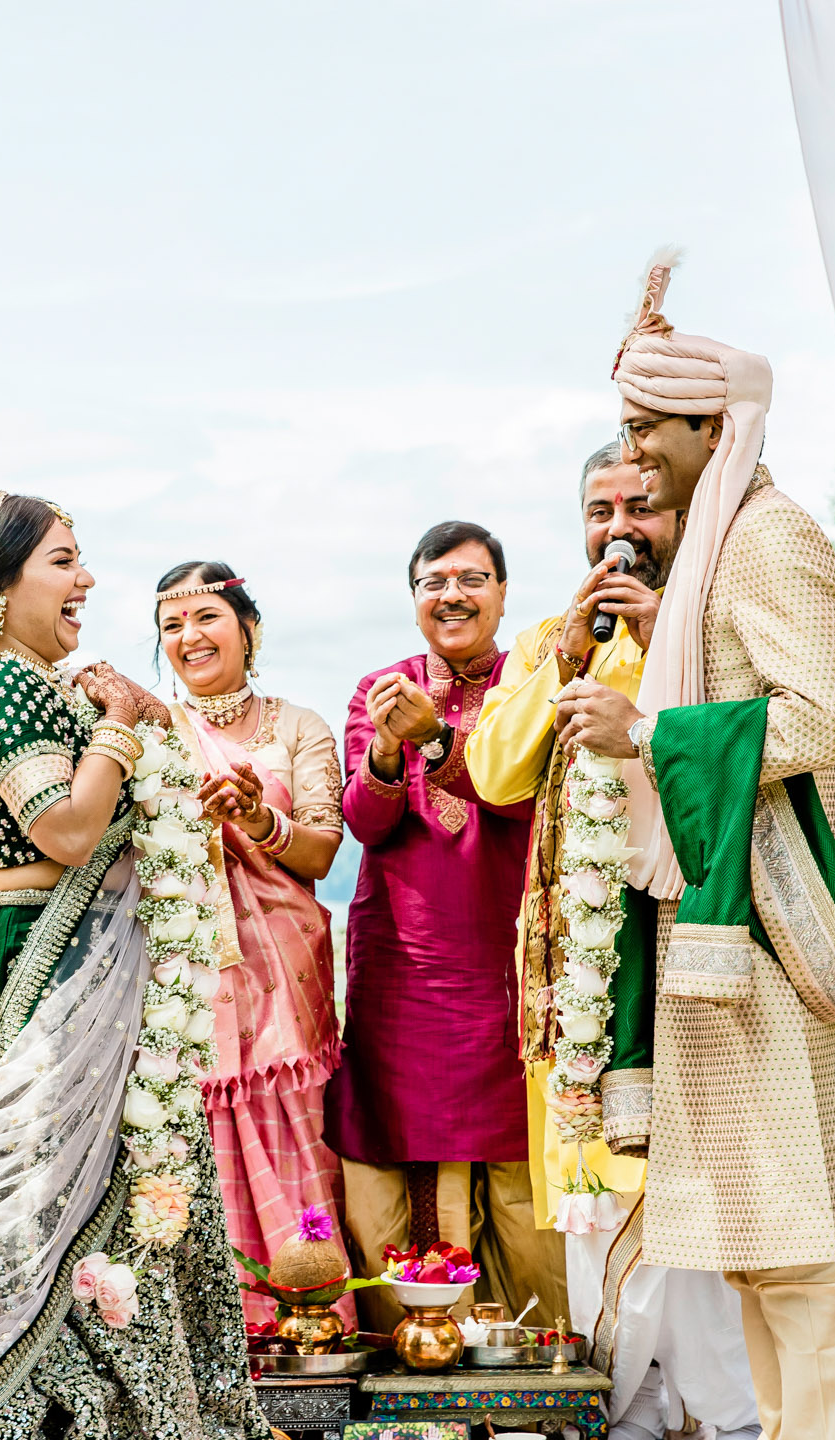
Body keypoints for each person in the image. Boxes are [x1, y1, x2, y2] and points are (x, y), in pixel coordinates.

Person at [554, 259, 835, 1440]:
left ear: (710, 425)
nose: (630, 455)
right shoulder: (718, 544)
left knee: (796, 1253)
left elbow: (822, 716)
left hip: (765, 932)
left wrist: (650, 728)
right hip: (717, 934)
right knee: (753, 1251)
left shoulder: (770, 538)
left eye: (644, 428)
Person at [0, 496, 268, 1440]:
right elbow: (66, 829)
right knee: (43, 1232)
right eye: (63, 563)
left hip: (96, 983)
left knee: (129, 1218)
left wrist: (128, 720)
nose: (85, 582)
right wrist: (118, 728)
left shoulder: (47, 685)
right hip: (44, 980)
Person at [465, 444, 760, 1439]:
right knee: (591, 1203)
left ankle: (719, 1415)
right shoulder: (556, 636)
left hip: (687, 960)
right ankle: (623, 1411)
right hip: (576, 975)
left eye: (640, 504)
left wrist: (649, 690)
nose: (618, 525)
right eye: (599, 508)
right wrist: (567, 658)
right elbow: (497, 773)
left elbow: (743, 764)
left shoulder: (712, 623)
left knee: (685, 1207)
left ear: (678, 512)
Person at [326, 522, 566, 1333]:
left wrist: (437, 734)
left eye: (471, 579)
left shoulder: (529, 681)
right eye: (434, 582)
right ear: (415, 599)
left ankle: (537, 1356)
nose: (452, 595)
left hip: (509, 954)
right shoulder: (380, 688)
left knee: (517, 1161)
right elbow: (365, 822)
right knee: (405, 1134)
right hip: (407, 964)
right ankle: (421, 1360)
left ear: (502, 592)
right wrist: (391, 753)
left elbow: (514, 796)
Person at [153, 561, 346, 1325]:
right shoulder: (149, 730)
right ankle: (215, 1334)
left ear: (247, 629)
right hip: (183, 975)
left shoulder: (298, 726)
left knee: (294, 1130)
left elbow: (324, 850)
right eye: (171, 625)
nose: (189, 638)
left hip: (283, 970)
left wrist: (256, 819)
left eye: (207, 619)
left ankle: (309, 1319)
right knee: (190, 1136)